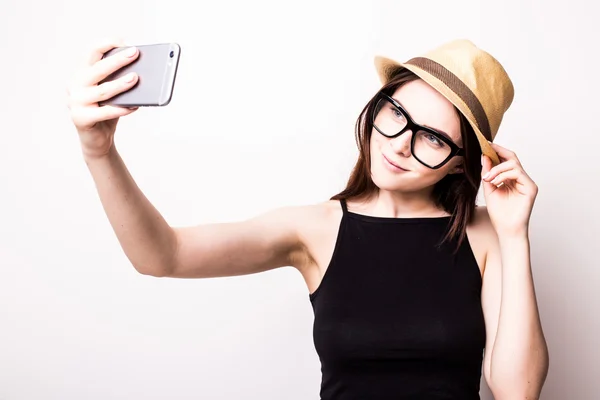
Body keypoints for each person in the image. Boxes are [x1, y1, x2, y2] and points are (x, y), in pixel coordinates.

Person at [66, 38, 549, 399]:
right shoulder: (314, 230)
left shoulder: (485, 234)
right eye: (396, 112)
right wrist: (99, 151)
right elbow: (162, 256)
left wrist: (515, 234)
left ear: (462, 162)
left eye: (433, 138)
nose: (400, 142)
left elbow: (518, 391)